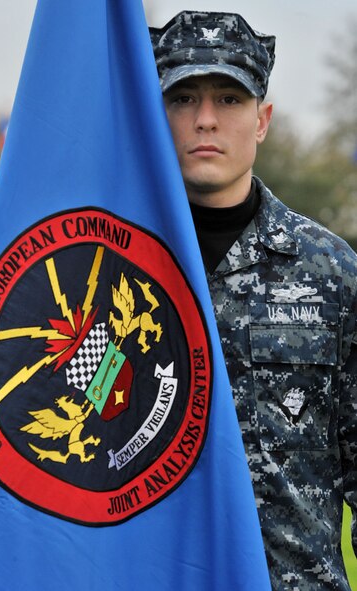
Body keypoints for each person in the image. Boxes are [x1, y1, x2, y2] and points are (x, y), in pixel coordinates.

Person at [150, 11, 357, 591]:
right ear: (155, 116)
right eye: (184, 97)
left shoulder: (332, 272)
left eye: (230, 99)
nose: (206, 119)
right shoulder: (111, 269)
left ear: (262, 120)